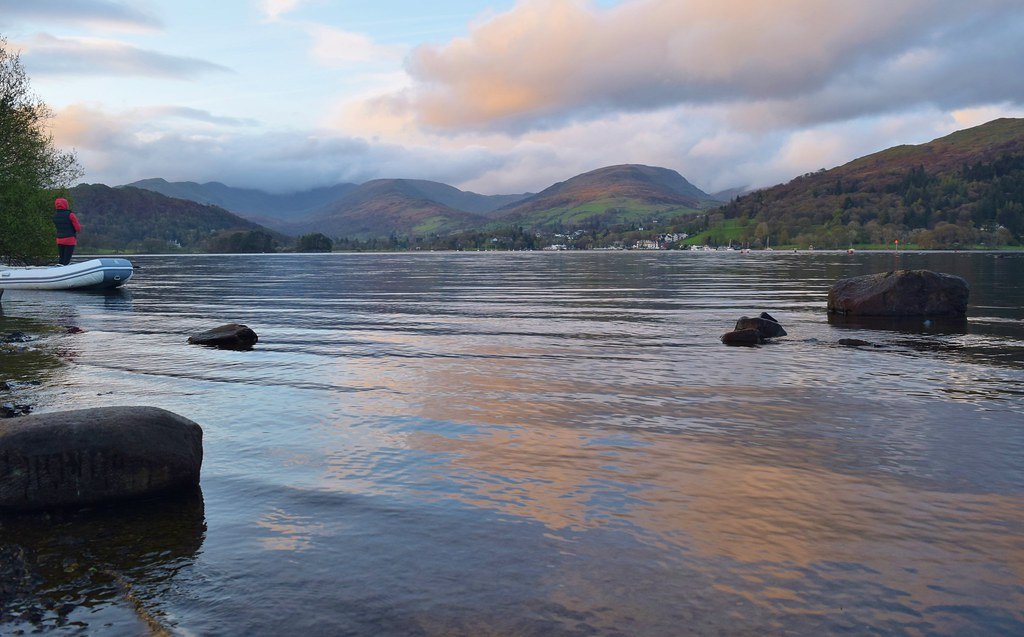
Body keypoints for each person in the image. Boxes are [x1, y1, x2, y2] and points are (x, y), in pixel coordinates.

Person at [53, 197, 82, 265]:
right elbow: (78, 228)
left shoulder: (55, 216)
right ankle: (65, 271)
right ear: (66, 205)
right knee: (66, 260)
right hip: (69, 239)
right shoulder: (70, 215)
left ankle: (59, 271)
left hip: (59, 239)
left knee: (61, 258)